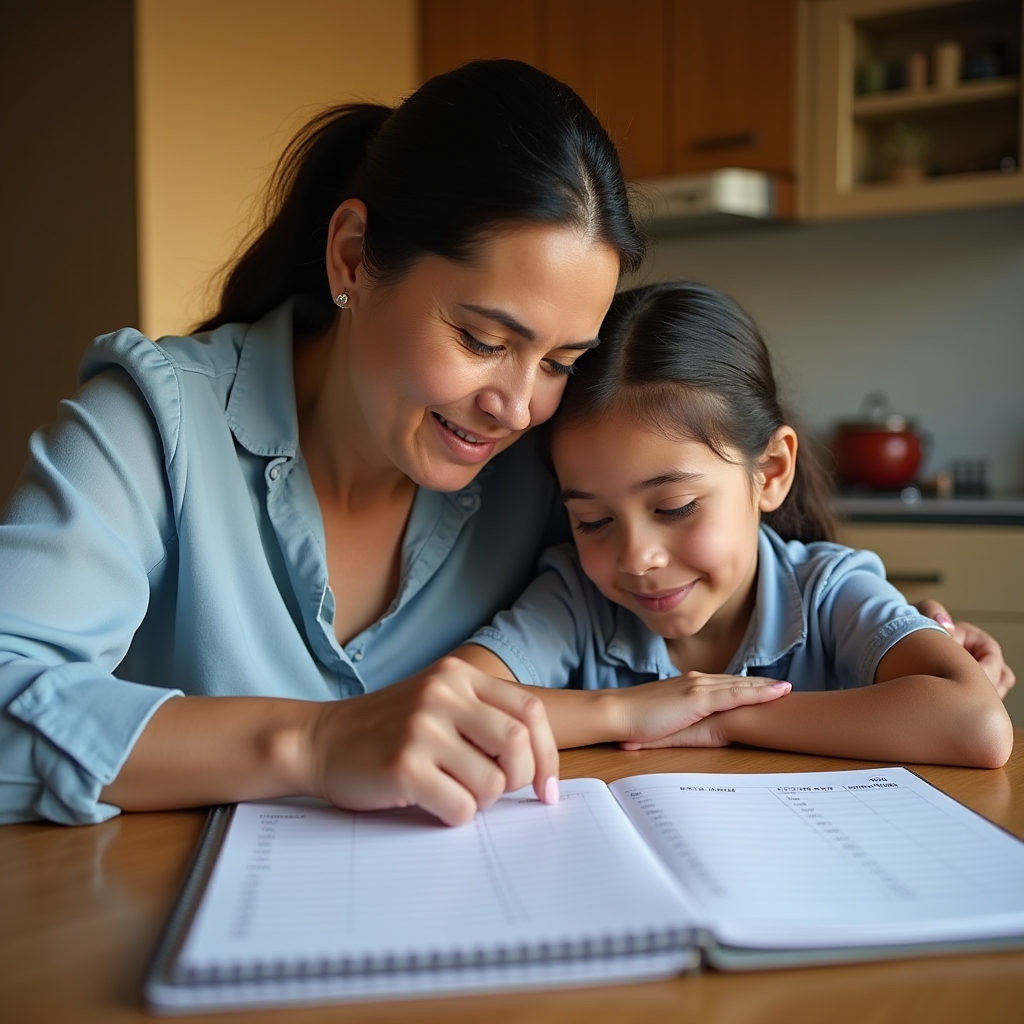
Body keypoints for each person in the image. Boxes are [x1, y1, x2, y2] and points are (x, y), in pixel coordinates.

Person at [0, 63, 1008, 829]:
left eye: (561, 359)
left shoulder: (549, 469)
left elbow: (683, 617)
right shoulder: (155, 422)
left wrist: (908, 664)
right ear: (354, 257)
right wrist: (310, 742)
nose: (517, 405)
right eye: (483, 339)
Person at [456, 281, 1014, 767]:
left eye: (674, 508)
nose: (636, 557)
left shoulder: (828, 592)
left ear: (770, 472)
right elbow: (453, 706)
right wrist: (629, 712)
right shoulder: (575, 599)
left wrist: (726, 719)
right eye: (593, 520)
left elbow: (977, 725)